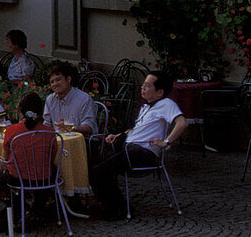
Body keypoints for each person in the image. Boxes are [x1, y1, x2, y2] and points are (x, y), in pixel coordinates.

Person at [89, 71, 187, 220]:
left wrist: (166, 142)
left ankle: (120, 209)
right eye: (143, 84)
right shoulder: (147, 107)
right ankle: (109, 204)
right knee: (91, 163)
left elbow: (182, 123)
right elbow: (140, 129)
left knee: (98, 171)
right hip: (130, 148)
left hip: (142, 154)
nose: (142, 88)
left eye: (147, 86)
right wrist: (120, 135)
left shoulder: (166, 104)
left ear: (160, 92)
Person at [0, 92, 57, 223]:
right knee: (51, 170)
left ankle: (19, 209)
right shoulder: (50, 132)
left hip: (18, 180)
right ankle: (39, 207)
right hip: (43, 180)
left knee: (3, 175)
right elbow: (51, 158)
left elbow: (6, 158)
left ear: (20, 111)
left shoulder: (11, 131)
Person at [42, 62, 96, 136]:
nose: (55, 84)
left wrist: (71, 128)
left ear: (68, 79)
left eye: (58, 80)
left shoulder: (84, 99)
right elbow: (47, 125)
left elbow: (89, 128)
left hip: (80, 141)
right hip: (57, 142)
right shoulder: (50, 99)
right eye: (52, 82)